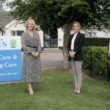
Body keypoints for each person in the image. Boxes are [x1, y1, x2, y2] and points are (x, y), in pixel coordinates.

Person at [21, 18, 42, 95]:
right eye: (29, 24)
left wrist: (38, 52)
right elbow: (23, 46)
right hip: (28, 55)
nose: (30, 25)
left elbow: (39, 44)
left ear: (34, 25)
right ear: (27, 25)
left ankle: (30, 86)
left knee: (34, 71)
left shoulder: (37, 34)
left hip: (36, 54)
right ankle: (30, 88)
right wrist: (31, 52)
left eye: (32, 24)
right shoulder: (24, 34)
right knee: (29, 71)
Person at [67, 21, 85, 94]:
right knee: (74, 73)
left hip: (78, 56)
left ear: (79, 27)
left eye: (77, 26)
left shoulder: (82, 35)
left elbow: (80, 46)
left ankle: (78, 88)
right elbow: (68, 45)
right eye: (74, 26)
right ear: (73, 27)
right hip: (71, 55)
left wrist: (74, 52)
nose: (75, 27)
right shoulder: (71, 35)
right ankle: (76, 87)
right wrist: (69, 52)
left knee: (78, 73)